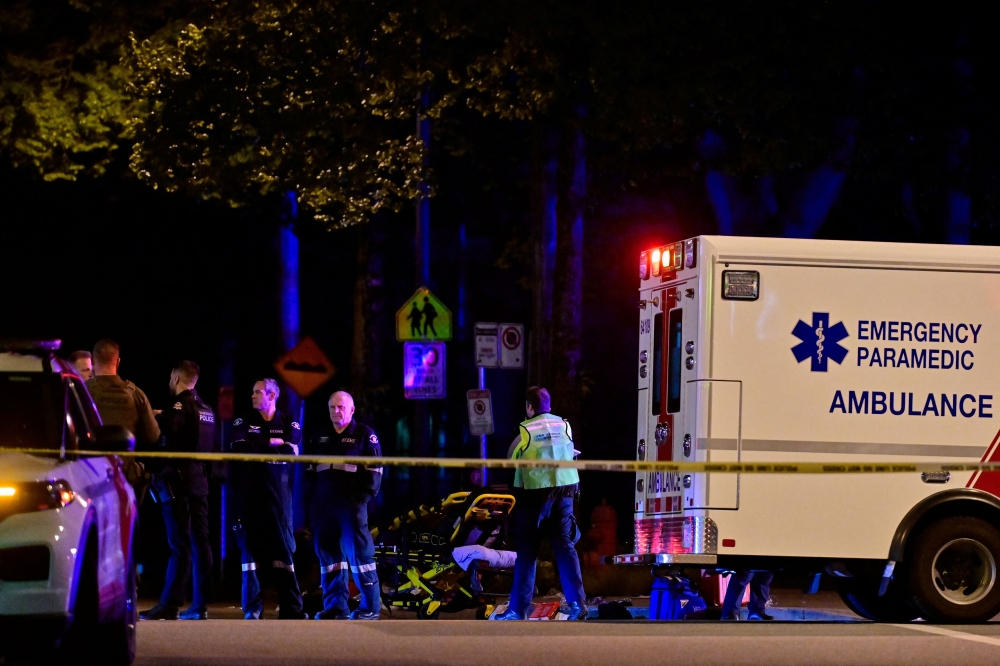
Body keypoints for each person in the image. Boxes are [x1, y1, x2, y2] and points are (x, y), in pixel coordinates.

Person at [494, 386, 588, 621]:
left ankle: (517, 610)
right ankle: (578, 605)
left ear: (529, 406)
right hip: (565, 494)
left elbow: (511, 467)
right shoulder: (564, 426)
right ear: (549, 405)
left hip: (534, 497)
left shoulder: (523, 431)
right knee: (565, 548)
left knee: (527, 553)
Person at [139, 361, 217, 621]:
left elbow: (166, 429)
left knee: (179, 544)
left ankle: (170, 604)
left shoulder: (180, 405)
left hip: (179, 483)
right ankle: (201, 604)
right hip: (200, 482)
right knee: (201, 543)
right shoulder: (207, 409)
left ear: (175, 379)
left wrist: (158, 415)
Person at [229, 378, 306, 620]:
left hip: (279, 497)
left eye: (257, 392)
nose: (252, 396)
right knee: (249, 553)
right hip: (249, 494)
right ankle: (252, 608)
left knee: (283, 552)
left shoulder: (288, 421)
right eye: (252, 392)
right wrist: (271, 443)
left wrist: (258, 446)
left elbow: (291, 449)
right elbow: (238, 447)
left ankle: (292, 608)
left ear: (272, 396)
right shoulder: (244, 420)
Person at [305, 391, 383, 620]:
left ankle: (370, 608)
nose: (336, 411)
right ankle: (335, 607)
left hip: (350, 506)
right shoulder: (319, 437)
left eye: (340, 407)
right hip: (323, 507)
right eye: (332, 407)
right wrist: (313, 502)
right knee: (329, 557)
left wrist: (360, 501)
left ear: (351, 410)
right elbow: (309, 473)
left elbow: (375, 473)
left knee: (360, 556)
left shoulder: (364, 436)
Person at [86, 339, 159, 491]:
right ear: (118, 361)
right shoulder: (135, 394)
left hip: (89, 476)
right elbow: (153, 437)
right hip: (124, 478)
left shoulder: (82, 391)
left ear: (92, 360)